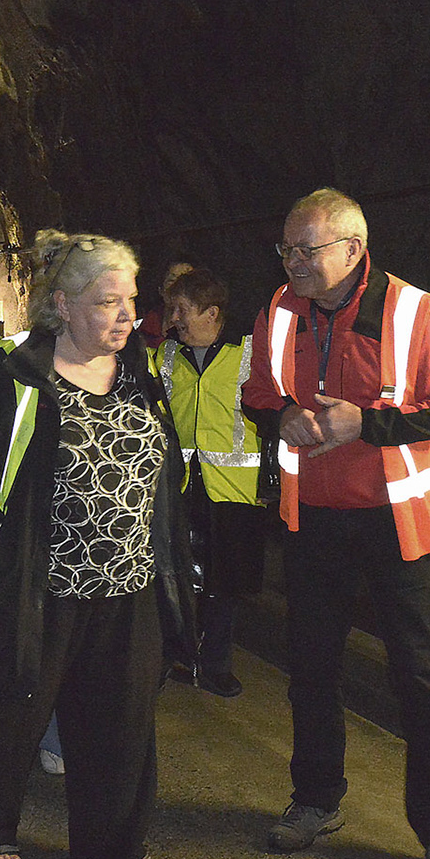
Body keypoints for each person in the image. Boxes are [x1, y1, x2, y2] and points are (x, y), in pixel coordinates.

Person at [0, 230, 194, 859]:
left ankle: (110, 850)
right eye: (108, 301)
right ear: (64, 306)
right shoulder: (11, 377)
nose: (127, 314)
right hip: (40, 585)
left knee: (121, 723)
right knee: (8, 711)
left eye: (131, 299)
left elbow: (163, 475)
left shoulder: (141, 376)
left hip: (127, 586)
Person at [241, 188, 430, 859]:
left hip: (395, 523)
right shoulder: (277, 310)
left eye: (304, 249)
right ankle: (315, 799)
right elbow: (256, 390)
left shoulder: (413, 311)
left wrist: (367, 423)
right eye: (286, 248)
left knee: (422, 675)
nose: (292, 261)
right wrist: (280, 413)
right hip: (313, 519)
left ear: (352, 249)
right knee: (311, 667)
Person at [156, 266, 274, 698]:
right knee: (175, 578)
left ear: (212, 312)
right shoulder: (166, 355)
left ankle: (216, 665)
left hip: (235, 490)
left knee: (227, 585)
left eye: (182, 310)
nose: (174, 320)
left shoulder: (250, 353)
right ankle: (176, 657)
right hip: (179, 488)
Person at [137, 260, 195, 342]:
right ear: (161, 290)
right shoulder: (146, 326)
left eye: (186, 280)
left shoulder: (201, 333)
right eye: (172, 280)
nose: (178, 286)